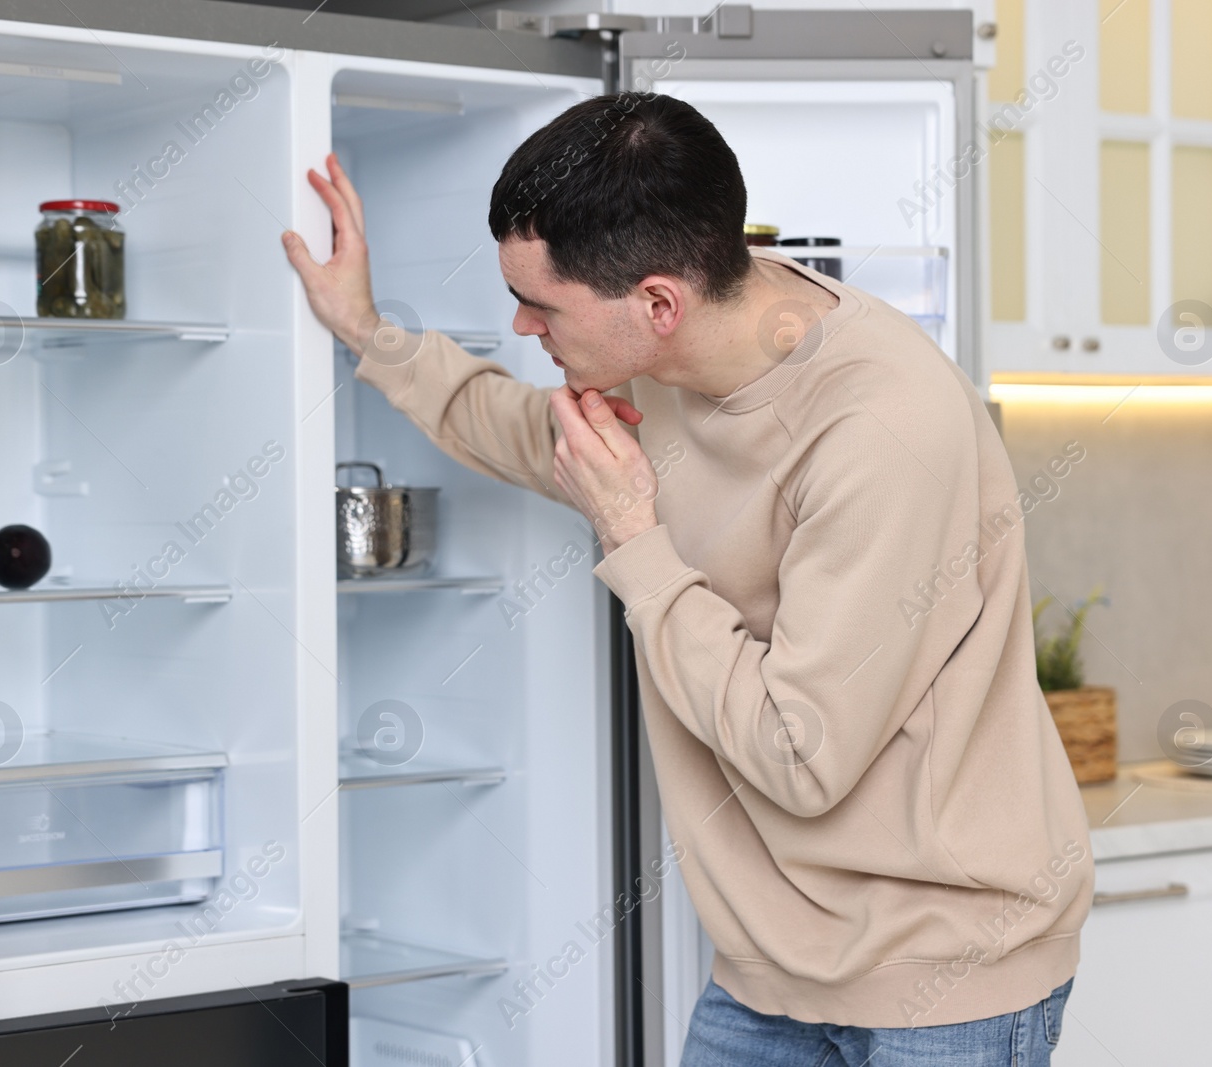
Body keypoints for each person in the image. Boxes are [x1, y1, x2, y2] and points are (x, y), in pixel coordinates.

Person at [282, 92, 1093, 1067]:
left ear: (658, 300)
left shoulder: (879, 432)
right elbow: (540, 435)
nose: (520, 323)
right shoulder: (667, 360)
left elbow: (802, 755)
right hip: (768, 968)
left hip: (945, 970)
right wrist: (370, 333)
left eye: (540, 304)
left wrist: (633, 534)